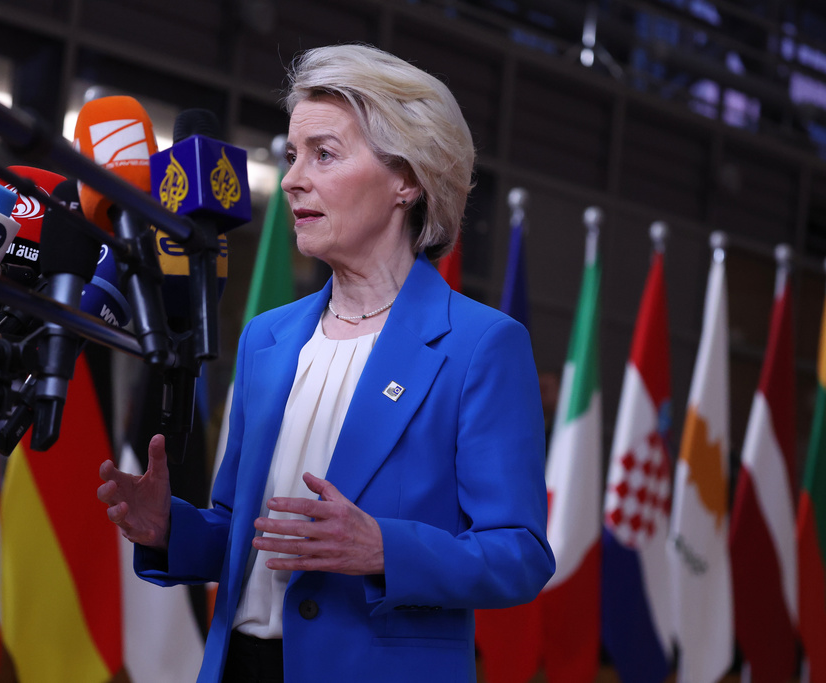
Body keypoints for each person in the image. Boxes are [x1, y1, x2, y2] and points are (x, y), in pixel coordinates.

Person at [98, 43, 554, 683]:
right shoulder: (267, 338)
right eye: (291, 156)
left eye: (324, 154)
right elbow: (243, 530)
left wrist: (381, 549)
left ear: (408, 180)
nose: (290, 180)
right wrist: (170, 528)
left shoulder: (480, 345)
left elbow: (520, 555)